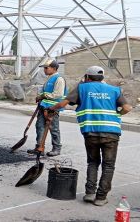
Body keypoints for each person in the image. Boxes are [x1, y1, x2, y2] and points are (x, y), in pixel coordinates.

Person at [49, 66, 132, 206]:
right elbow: (127, 108)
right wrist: (118, 114)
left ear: (87, 77)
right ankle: (101, 198)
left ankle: (89, 193)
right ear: (102, 78)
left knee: (93, 162)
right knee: (108, 165)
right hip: (111, 133)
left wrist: (50, 109)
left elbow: (63, 103)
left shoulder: (82, 88)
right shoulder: (114, 90)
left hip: (91, 132)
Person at [27, 59, 67, 157]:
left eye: (46, 68)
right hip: (44, 106)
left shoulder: (59, 79)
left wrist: (44, 95)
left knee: (54, 128)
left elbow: (58, 94)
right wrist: (41, 96)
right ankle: (39, 147)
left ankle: (56, 148)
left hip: (53, 108)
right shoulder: (50, 78)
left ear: (53, 68)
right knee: (39, 126)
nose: (44, 70)